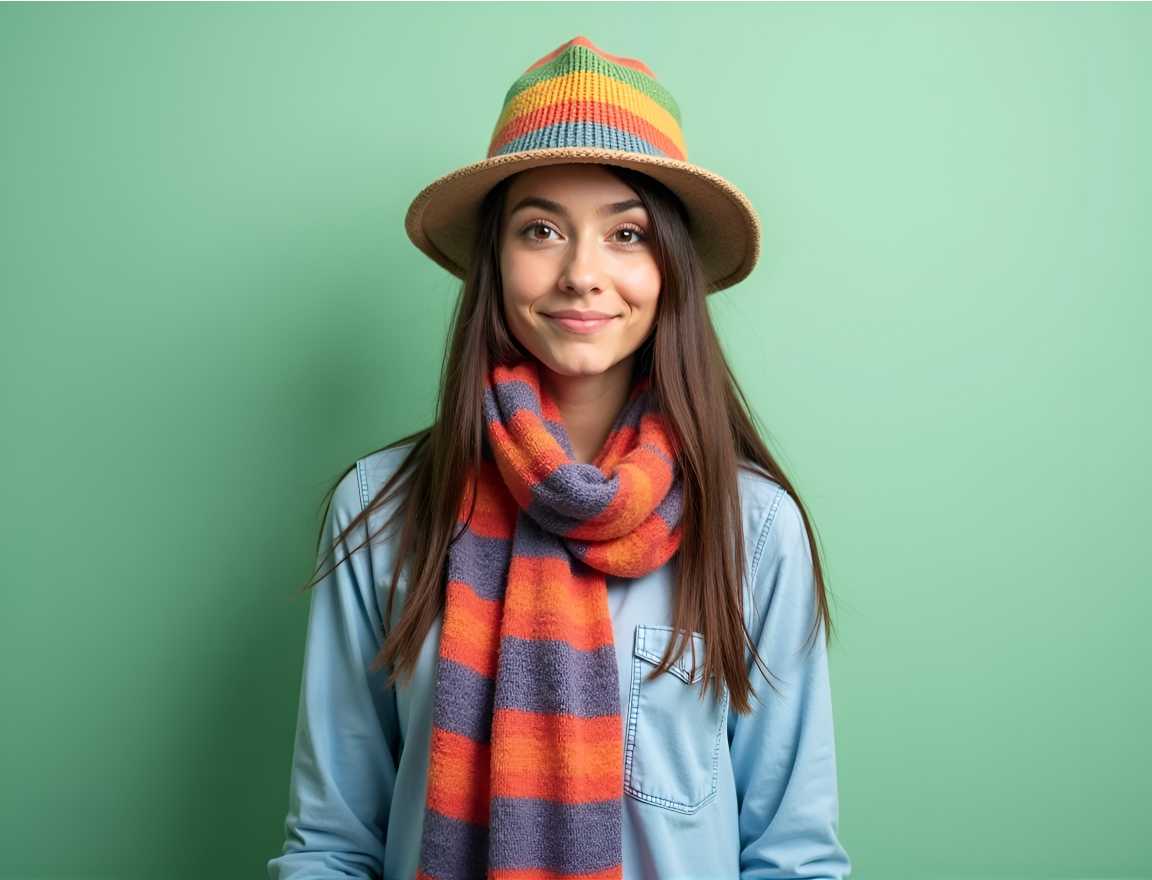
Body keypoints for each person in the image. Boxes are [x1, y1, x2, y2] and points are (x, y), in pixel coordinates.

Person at [268, 35, 852, 880]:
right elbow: (332, 844)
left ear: (671, 270)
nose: (583, 273)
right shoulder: (382, 509)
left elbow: (793, 857)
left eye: (627, 233)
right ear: (494, 262)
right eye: (541, 229)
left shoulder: (753, 527)